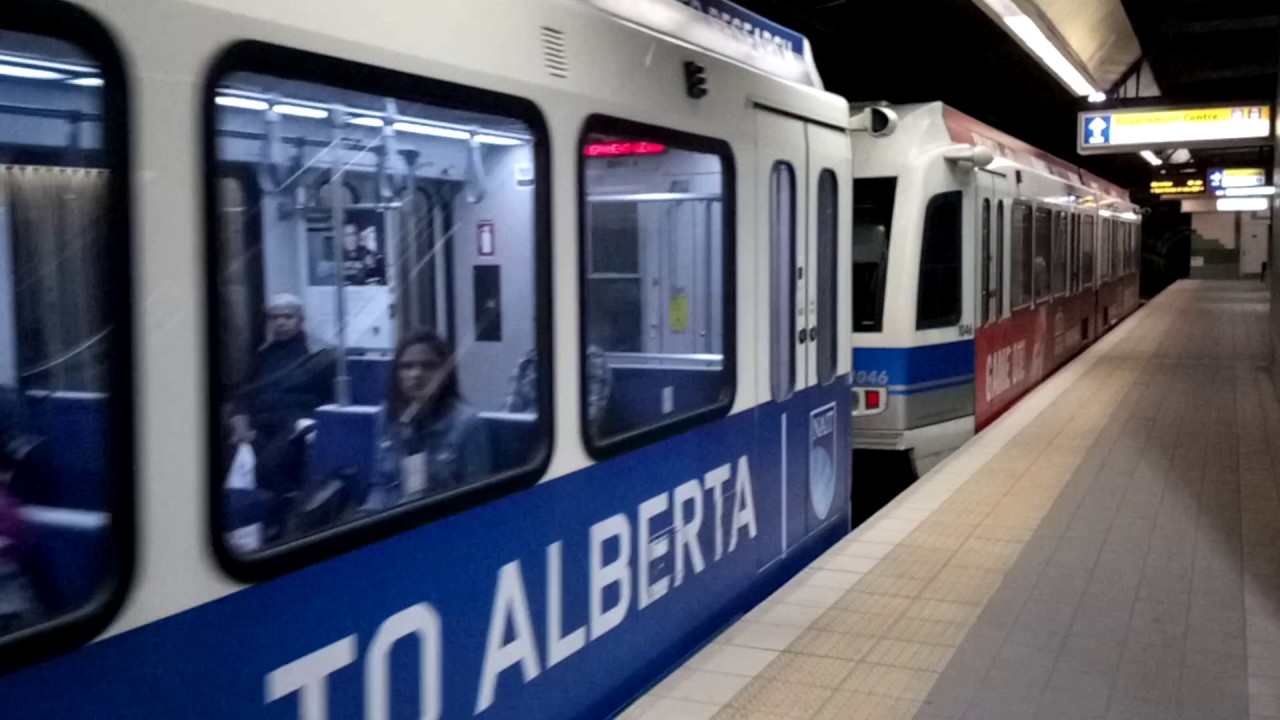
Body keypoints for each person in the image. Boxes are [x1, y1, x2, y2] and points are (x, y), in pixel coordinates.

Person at [228, 294, 336, 540]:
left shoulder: (317, 356)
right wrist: (240, 423)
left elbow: (330, 401)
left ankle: (279, 521)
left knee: (268, 464)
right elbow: (242, 398)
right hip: (260, 424)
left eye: (288, 317)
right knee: (243, 460)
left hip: (297, 424)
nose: (281, 322)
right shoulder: (261, 358)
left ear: (300, 320)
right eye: (275, 317)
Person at [367, 331, 491, 510]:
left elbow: (477, 498)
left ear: (445, 374)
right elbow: (379, 485)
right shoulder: (386, 416)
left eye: (428, 366)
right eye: (407, 366)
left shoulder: (467, 424)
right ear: (396, 374)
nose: (416, 374)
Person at [504, 344, 613, 435]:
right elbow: (510, 407)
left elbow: (591, 417)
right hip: (527, 436)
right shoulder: (529, 360)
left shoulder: (591, 358)